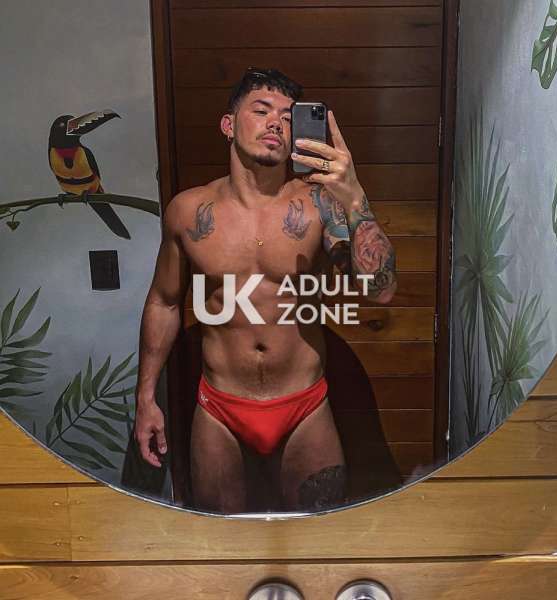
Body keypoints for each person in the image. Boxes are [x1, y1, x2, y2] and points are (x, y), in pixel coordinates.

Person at [134, 67, 397, 514]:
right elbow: (164, 302)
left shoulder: (320, 205)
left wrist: (354, 195)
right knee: (223, 543)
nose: (276, 122)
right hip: (220, 409)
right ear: (228, 124)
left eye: (289, 117)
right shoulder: (189, 211)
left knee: (316, 539)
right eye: (261, 110)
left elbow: (380, 290)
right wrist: (145, 399)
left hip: (304, 408)